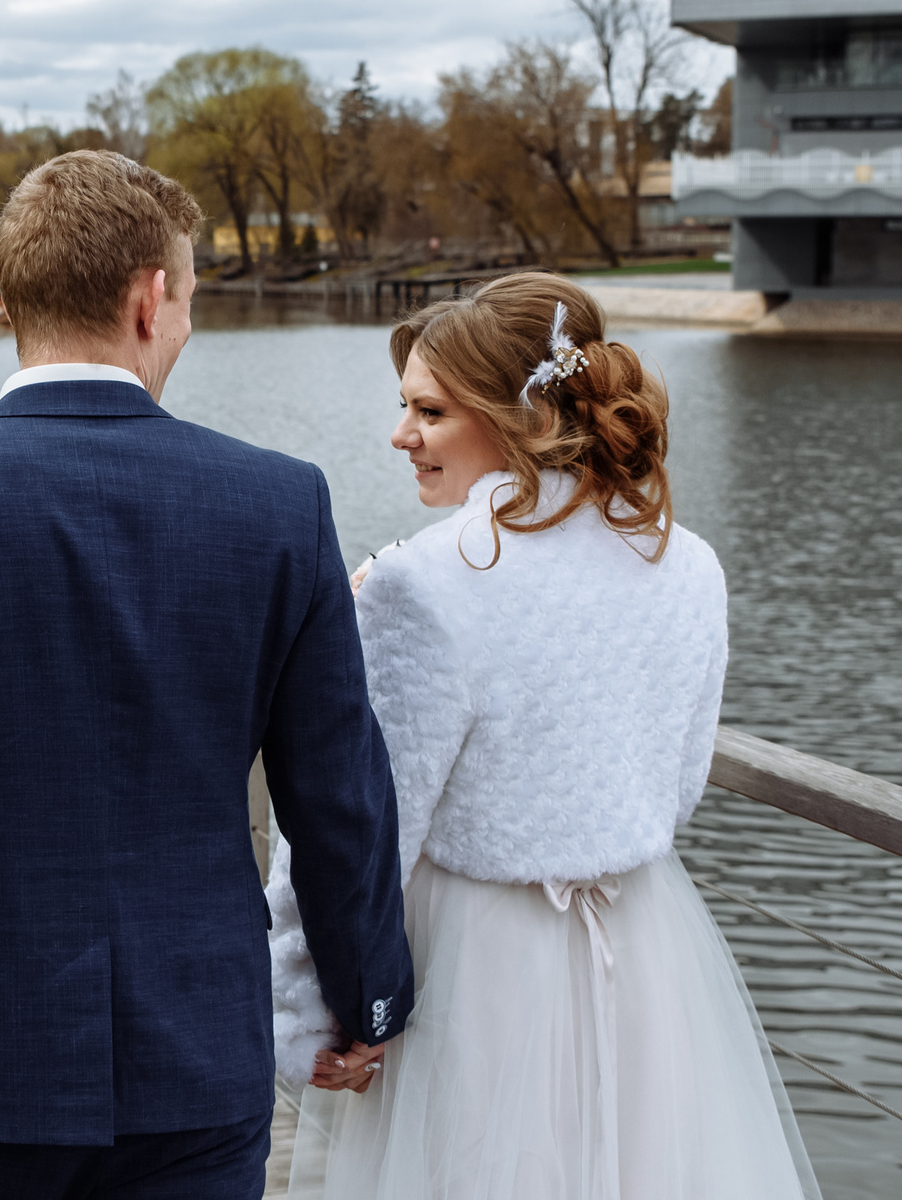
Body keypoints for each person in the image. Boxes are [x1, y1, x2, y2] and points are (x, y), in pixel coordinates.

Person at [0, 149, 415, 1198]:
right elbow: (338, 797)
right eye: (186, 305)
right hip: (197, 1056)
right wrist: (368, 1001)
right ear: (148, 296)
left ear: (8, 303)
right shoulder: (279, 505)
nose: (181, 330)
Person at [271, 271, 819, 1199]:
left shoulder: (424, 584)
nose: (400, 436)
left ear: (513, 418)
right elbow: (677, 786)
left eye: (429, 412)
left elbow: (359, 833)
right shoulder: (686, 562)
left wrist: (304, 1009)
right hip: (647, 952)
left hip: (479, 972)